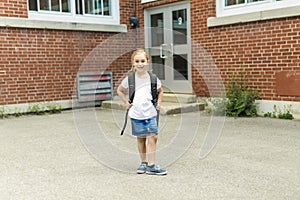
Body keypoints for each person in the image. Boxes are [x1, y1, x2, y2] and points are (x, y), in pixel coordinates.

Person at [117, 49, 167, 175]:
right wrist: (126, 103)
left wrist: (159, 103)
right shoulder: (130, 79)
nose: (140, 64)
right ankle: (143, 162)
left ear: (147, 62)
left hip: (150, 113)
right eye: (137, 61)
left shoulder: (152, 78)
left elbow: (161, 91)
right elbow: (120, 90)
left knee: (153, 137)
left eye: (143, 61)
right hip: (136, 114)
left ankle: (151, 166)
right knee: (141, 139)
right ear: (133, 63)